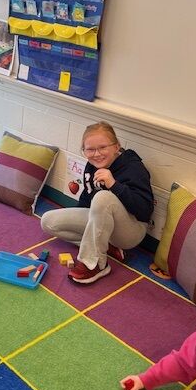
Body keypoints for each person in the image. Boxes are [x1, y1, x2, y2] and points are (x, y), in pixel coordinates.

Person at [40, 122, 153, 284]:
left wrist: (114, 185)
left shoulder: (133, 167)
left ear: (116, 147)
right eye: (90, 149)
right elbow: (86, 200)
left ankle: (95, 264)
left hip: (131, 231)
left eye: (103, 147)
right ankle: (104, 248)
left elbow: (144, 211)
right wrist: (76, 221)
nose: (96, 154)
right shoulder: (92, 165)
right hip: (105, 225)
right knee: (48, 222)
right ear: (84, 151)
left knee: (103, 198)